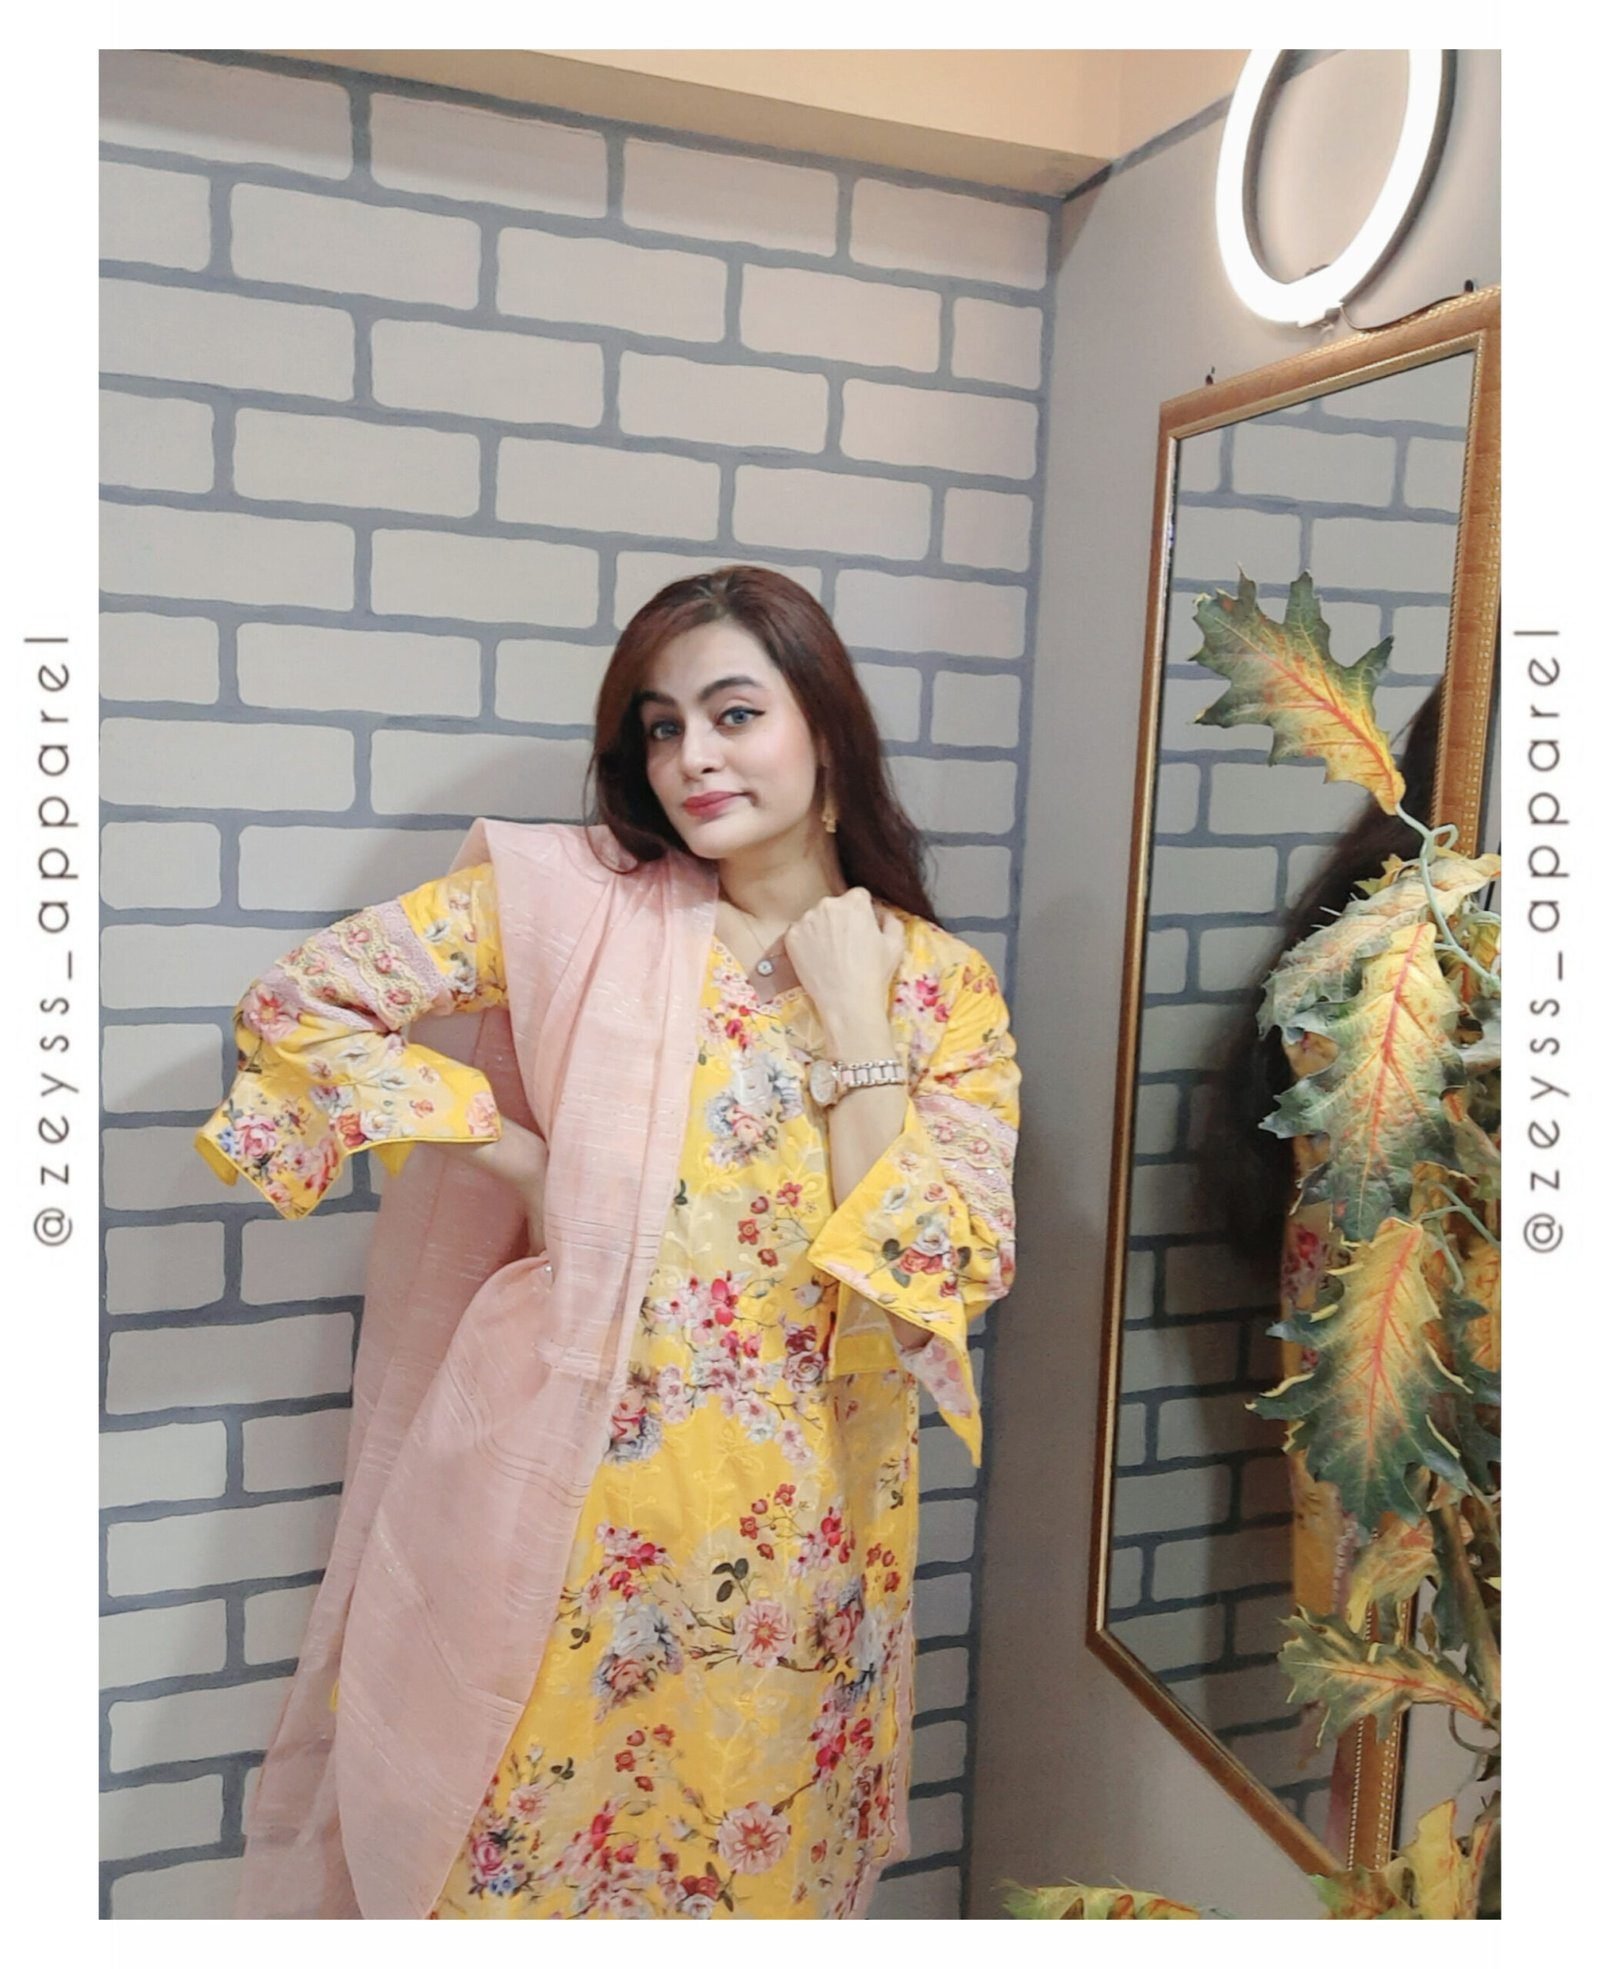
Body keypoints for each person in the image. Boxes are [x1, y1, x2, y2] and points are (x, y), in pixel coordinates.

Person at [193, 564, 1022, 1919]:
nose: (693, 756)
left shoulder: (939, 988)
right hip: (579, 1519)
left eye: (734, 713)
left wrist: (860, 1021)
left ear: (825, 725)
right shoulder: (579, 911)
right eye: (661, 725)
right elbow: (302, 1007)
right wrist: (521, 1156)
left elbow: (928, 1272)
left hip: (807, 1551)